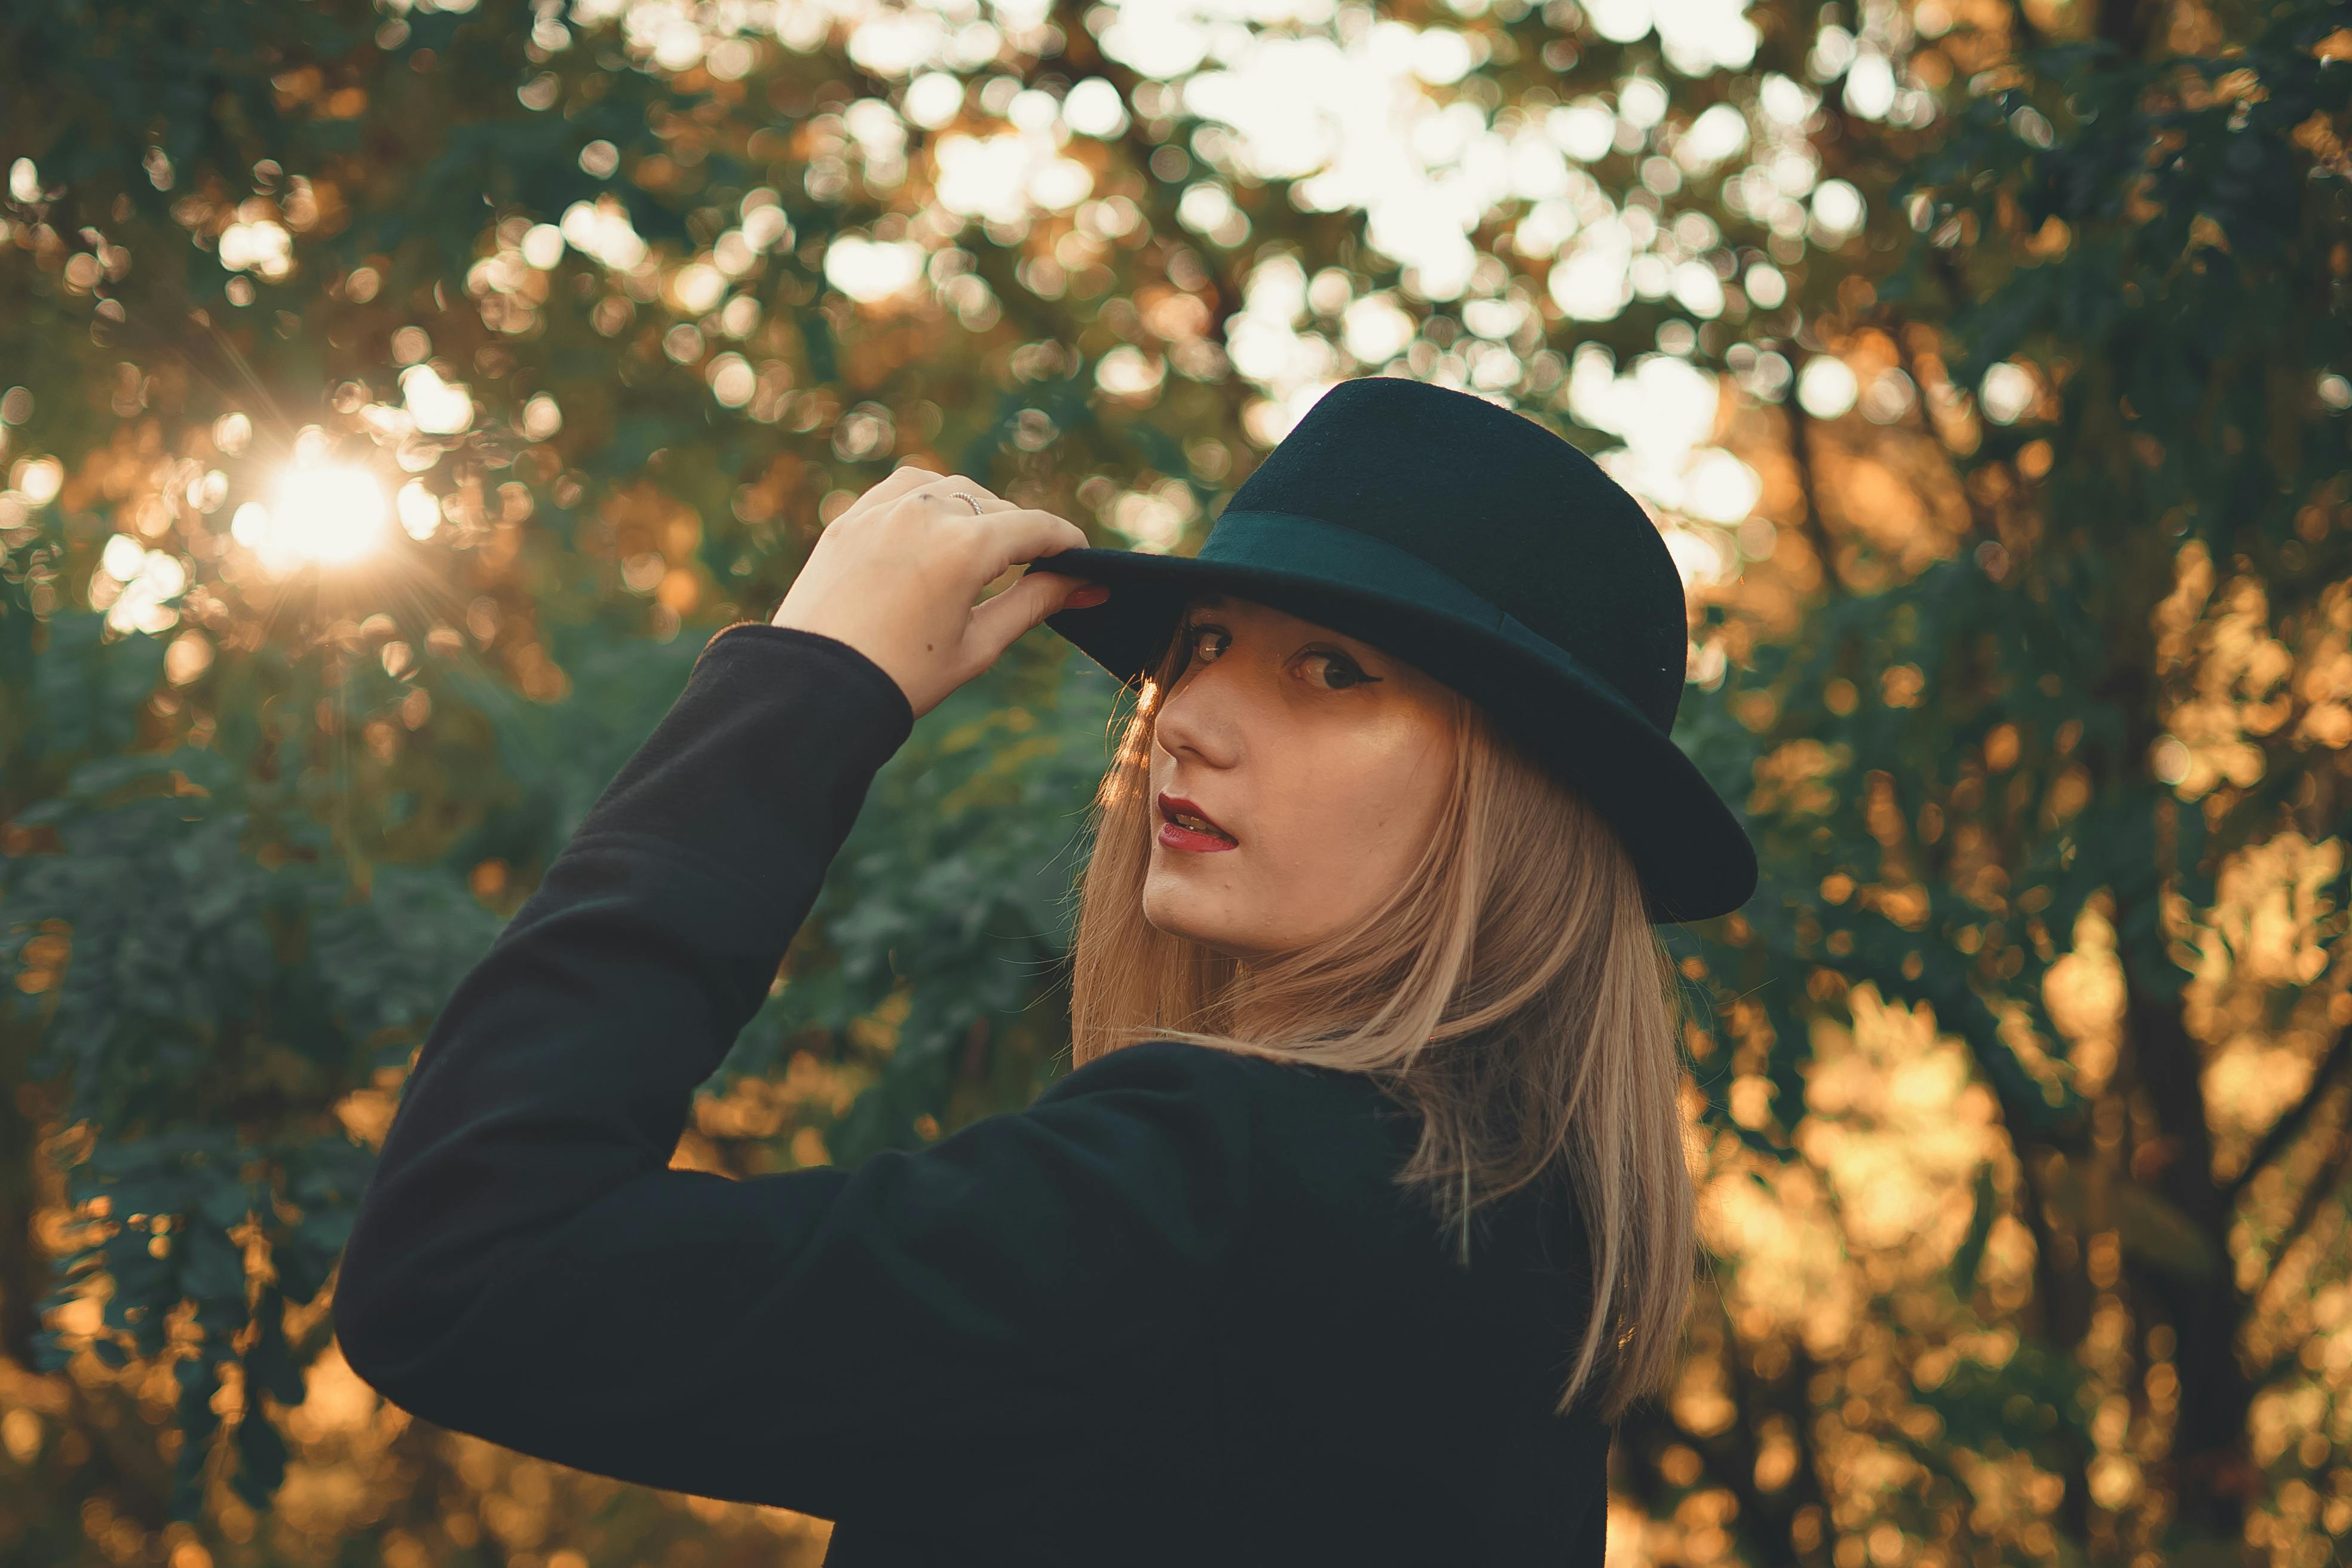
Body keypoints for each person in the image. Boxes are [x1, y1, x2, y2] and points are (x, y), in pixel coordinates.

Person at [331, 375, 1760, 1566]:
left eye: (1332, 670)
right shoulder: (1513, 1236)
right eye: (1201, 647)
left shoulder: (1223, 1193)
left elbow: (469, 1264)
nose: (1189, 714)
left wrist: (808, 683)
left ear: (1526, 798)